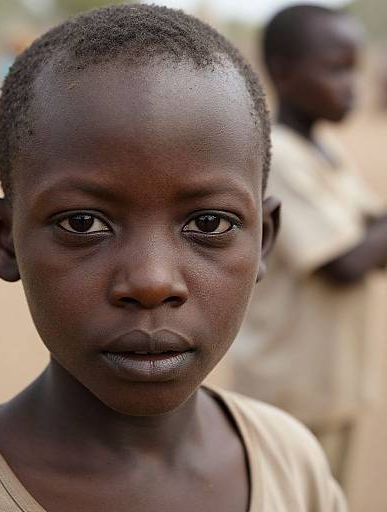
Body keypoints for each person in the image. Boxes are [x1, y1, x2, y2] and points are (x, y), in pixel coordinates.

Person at [0, 5, 345, 511]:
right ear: (2, 238)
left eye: (209, 224)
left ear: (264, 242)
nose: (150, 281)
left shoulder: (292, 463)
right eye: (83, 224)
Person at [231, 4, 387, 487]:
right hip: (290, 392)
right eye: (337, 69)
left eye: (354, 70)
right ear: (283, 70)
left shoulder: (323, 149)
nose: (352, 87)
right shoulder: (279, 158)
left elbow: (371, 221)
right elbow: (342, 262)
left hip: (332, 384)